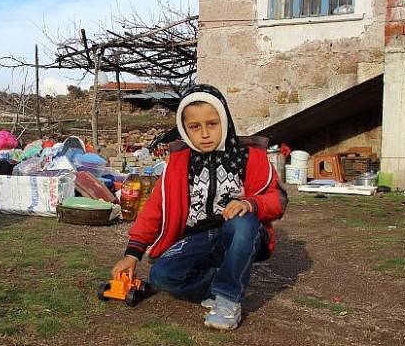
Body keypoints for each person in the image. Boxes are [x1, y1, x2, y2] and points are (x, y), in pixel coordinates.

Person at [111, 84, 287, 330]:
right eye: (195, 127)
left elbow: (277, 199)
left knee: (243, 222)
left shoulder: (249, 155)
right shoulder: (178, 163)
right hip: (198, 237)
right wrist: (132, 254)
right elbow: (155, 209)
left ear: (224, 120)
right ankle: (222, 282)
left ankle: (228, 299)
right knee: (162, 277)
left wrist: (250, 203)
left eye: (212, 124)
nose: (204, 134)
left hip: (236, 232)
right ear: (184, 129)